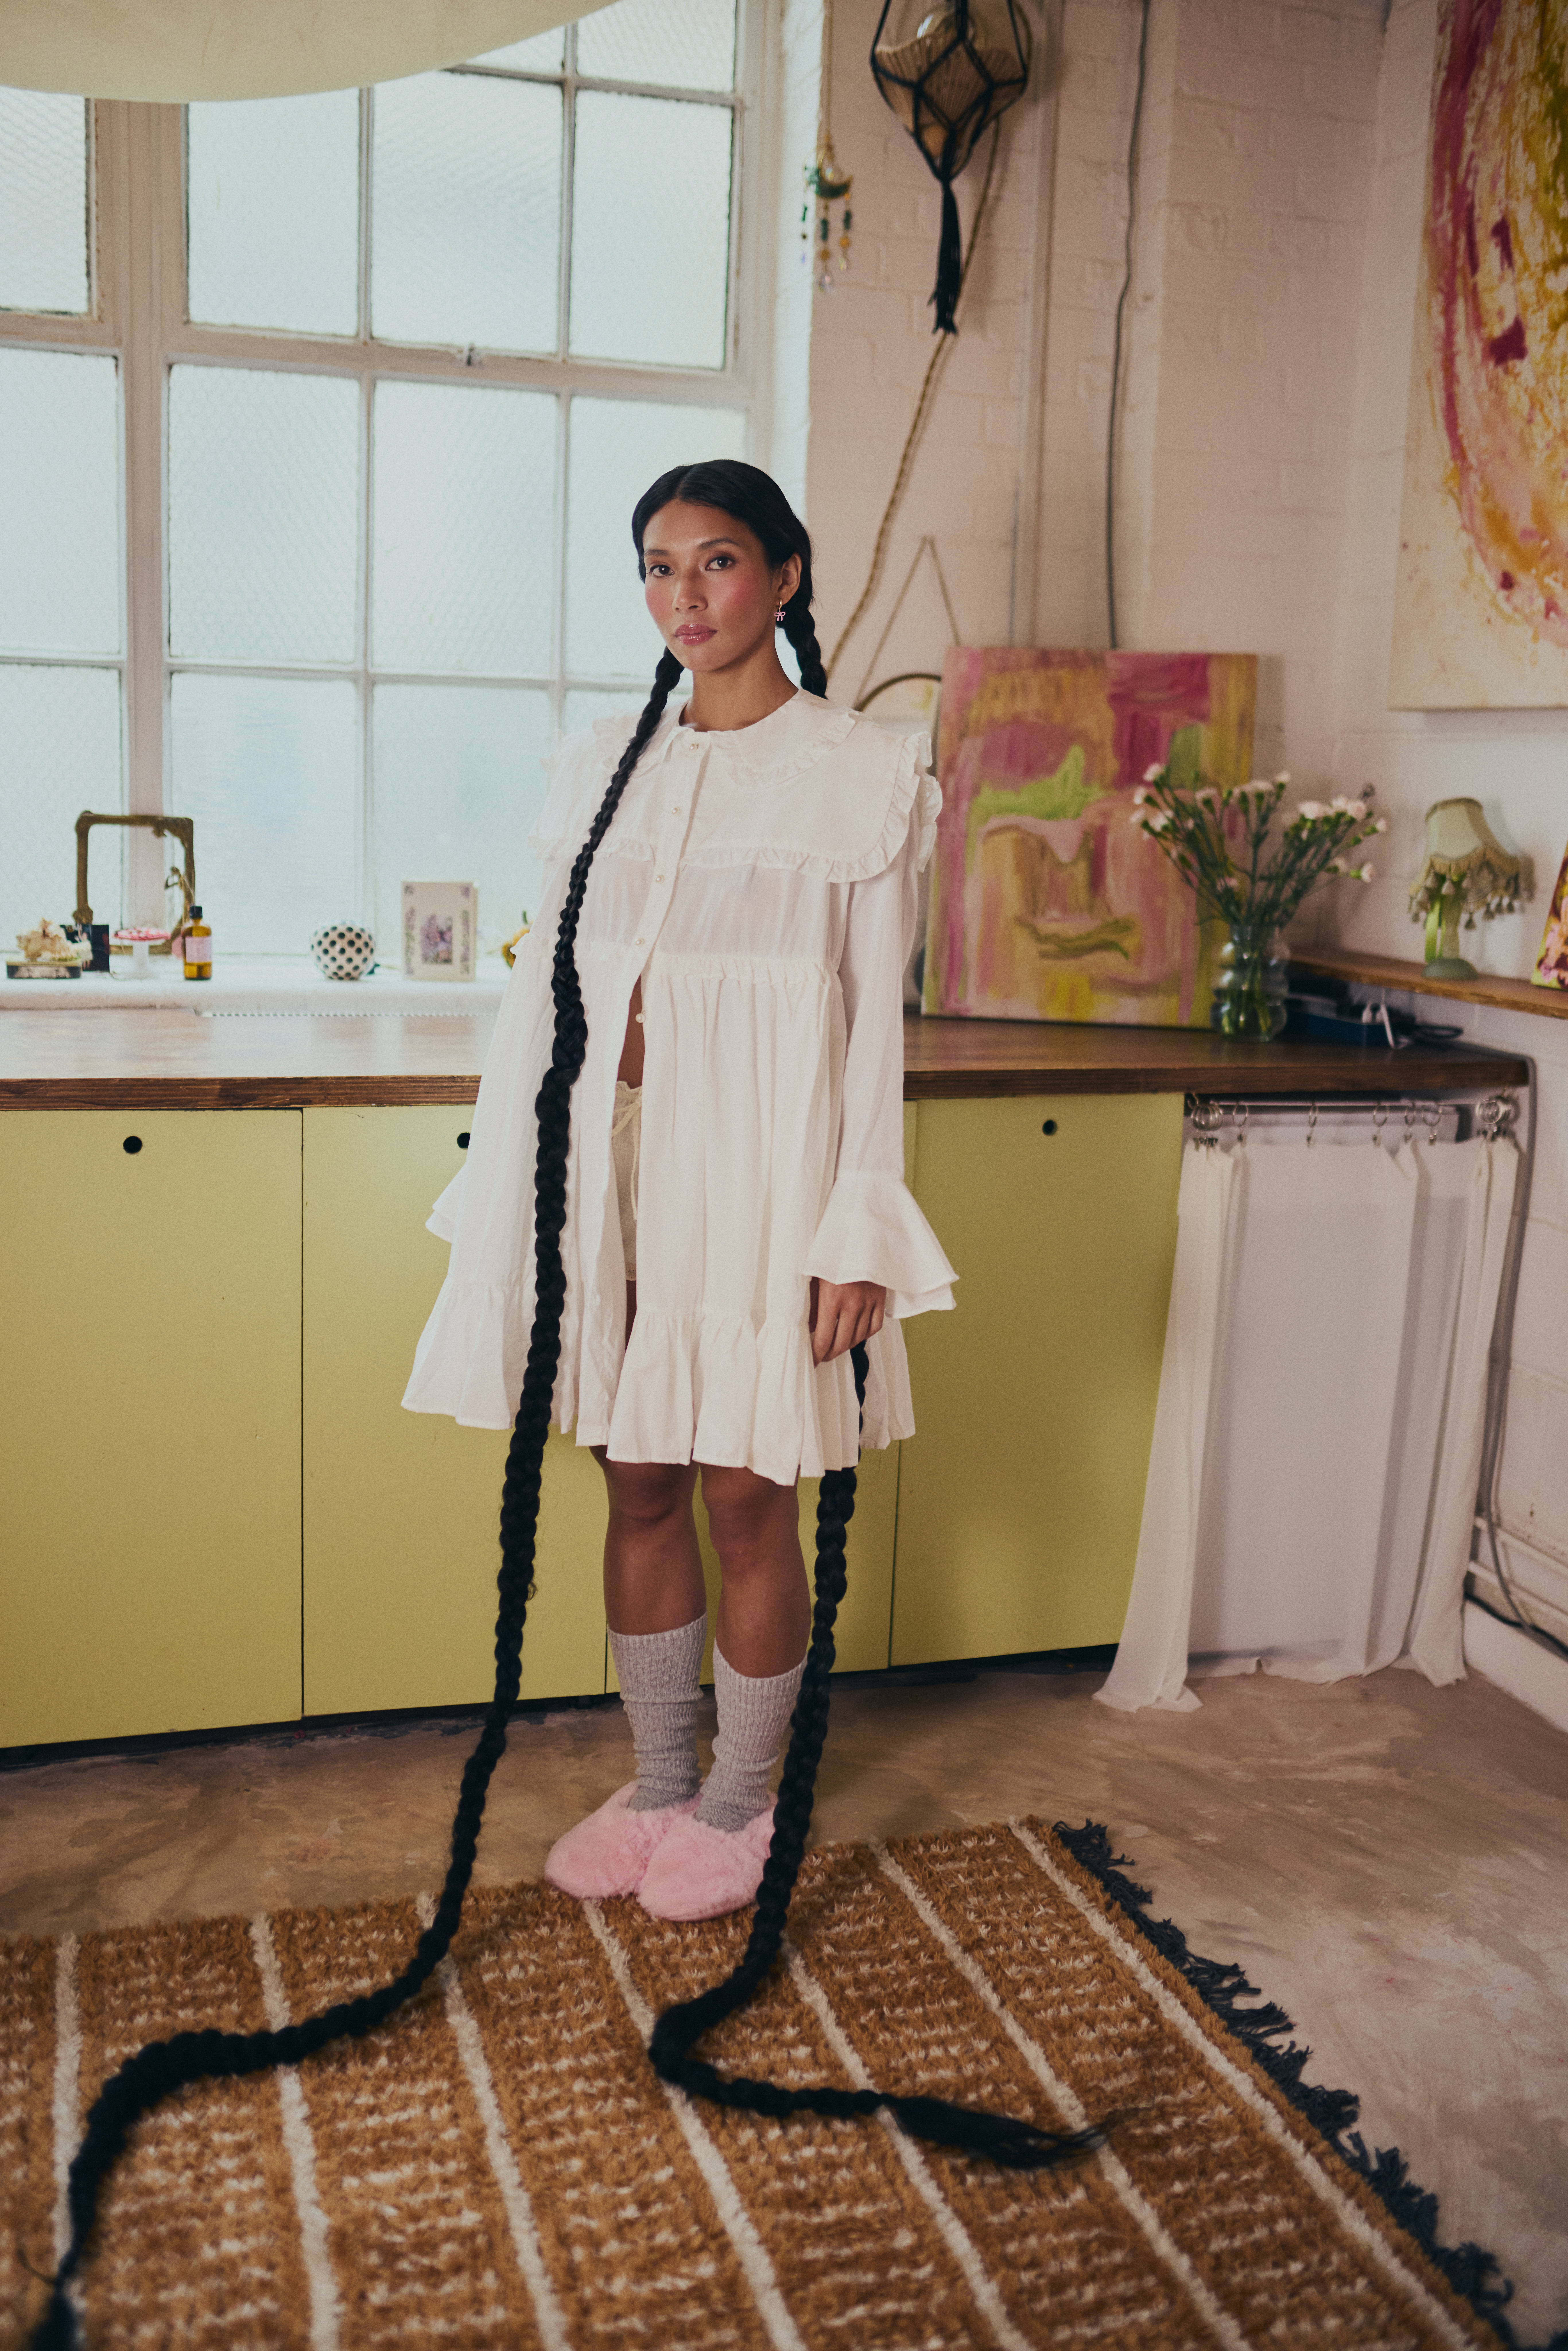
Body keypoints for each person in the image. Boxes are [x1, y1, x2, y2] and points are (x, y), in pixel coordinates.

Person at [403, 459, 956, 1920]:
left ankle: (743, 1800)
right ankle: (659, 1780)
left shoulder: (862, 769)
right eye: (659, 567)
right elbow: (544, 991)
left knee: (744, 1487)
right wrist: (516, 1182)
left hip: (763, 1168)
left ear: (784, 575)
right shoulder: (602, 763)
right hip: (610, 1158)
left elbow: (871, 1029)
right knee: (636, 1472)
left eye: (716, 563)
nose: (685, 596)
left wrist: (860, 1222)